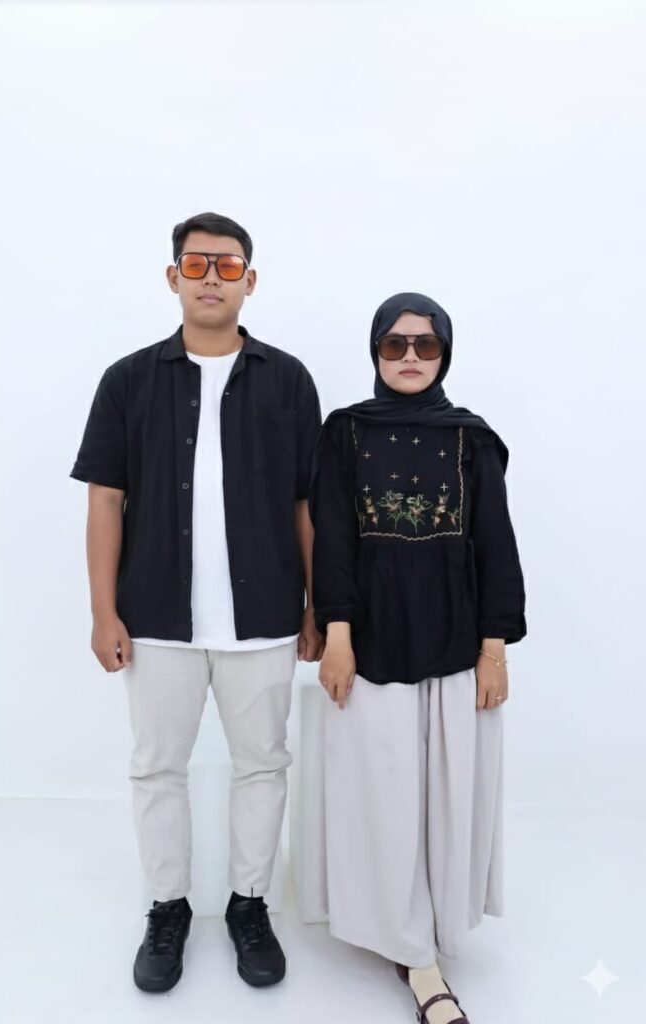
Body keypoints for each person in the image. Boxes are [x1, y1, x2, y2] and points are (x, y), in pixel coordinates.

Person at [69, 212, 323, 994]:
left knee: (263, 766)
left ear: (250, 280)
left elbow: (306, 502)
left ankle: (249, 906)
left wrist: (315, 602)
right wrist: (103, 611)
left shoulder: (287, 380)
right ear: (172, 276)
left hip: (265, 616)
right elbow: (104, 500)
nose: (212, 276)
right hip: (155, 617)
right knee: (156, 768)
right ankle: (167, 907)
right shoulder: (128, 379)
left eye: (228, 264)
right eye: (197, 262)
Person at [309, 292, 526, 1023]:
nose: (409, 357)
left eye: (425, 345)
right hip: (371, 645)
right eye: (394, 344)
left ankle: (433, 926)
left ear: (444, 354)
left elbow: (495, 544)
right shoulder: (345, 432)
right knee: (384, 795)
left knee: (446, 796)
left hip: (455, 643)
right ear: (375, 351)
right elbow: (333, 541)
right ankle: (413, 954)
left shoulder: (469, 438)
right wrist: (336, 635)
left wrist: (494, 649)